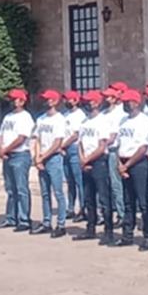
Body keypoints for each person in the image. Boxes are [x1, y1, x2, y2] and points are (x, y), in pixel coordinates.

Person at [115, 89, 148, 250]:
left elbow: (143, 147)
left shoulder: (143, 121)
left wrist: (127, 165)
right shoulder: (123, 121)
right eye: (124, 102)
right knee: (128, 201)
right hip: (124, 161)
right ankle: (127, 234)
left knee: (143, 201)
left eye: (128, 101)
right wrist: (120, 164)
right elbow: (119, 145)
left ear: (136, 102)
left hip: (138, 163)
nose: (126, 104)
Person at [74, 90, 115, 244]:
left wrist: (87, 160)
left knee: (104, 198)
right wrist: (82, 159)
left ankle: (108, 231)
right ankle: (90, 228)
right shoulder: (84, 122)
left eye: (89, 101)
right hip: (86, 161)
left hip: (99, 162)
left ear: (97, 103)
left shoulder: (102, 121)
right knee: (89, 197)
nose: (86, 104)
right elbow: (80, 143)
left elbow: (102, 145)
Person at [0, 89, 35, 231]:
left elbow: (21, 138)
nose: (12, 102)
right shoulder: (8, 117)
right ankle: (11, 217)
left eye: (15, 99)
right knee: (10, 189)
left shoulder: (25, 117)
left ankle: (24, 219)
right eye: (11, 99)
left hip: (20, 155)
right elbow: (1, 134)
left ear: (22, 101)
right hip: (8, 156)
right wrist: (0, 148)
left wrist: (5, 149)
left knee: (21, 188)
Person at [32, 90, 69, 237]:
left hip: (53, 158)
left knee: (58, 192)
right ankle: (46, 222)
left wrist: (43, 157)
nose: (46, 102)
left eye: (48, 99)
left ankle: (61, 224)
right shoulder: (41, 119)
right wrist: (37, 157)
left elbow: (57, 142)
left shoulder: (59, 119)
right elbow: (37, 139)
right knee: (45, 193)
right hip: (42, 158)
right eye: (44, 99)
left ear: (54, 101)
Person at [102, 86, 127, 225]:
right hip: (103, 151)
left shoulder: (119, 113)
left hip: (113, 150)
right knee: (107, 184)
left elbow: (113, 135)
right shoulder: (104, 113)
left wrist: (102, 144)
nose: (105, 99)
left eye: (108, 97)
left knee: (116, 183)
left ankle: (121, 213)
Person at [61, 90, 85, 220]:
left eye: (69, 99)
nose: (66, 101)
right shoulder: (65, 115)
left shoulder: (79, 115)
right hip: (65, 150)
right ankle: (70, 208)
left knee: (78, 180)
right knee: (70, 181)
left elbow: (75, 135)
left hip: (74, 148)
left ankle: (83, 208)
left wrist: (62, 145)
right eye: (65, 99)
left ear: (76, 100)